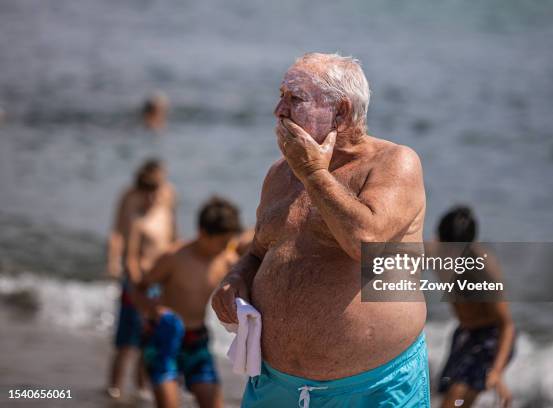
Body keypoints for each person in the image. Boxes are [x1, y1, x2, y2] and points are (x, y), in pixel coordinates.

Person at [212, 53, 429, 407]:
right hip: (273, 384)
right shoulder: (280, 174)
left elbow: (365, 241)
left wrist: (314, 174)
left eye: (294, 99)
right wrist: (235, 277)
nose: (278, 110)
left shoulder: (394, 163)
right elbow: (257, 251)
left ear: (341, 112)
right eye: (281, 96)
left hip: (373, 388)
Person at [133, 196, 243, 408]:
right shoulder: (174, 257)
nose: (226, 247)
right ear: (203, 233)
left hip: (197, 339)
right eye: (222, 242)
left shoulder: (227, 260)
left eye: (229, 241)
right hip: (164, 336)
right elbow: (138, 290)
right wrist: (153, 309)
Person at [106, 159, 177, 399]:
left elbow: (173, 243)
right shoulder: (136, 214)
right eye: (148, 193)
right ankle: (114, 388)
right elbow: (129, 254)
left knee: (151, 339)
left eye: (155, 192)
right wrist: (136, 284)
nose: (152, 198)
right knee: (127, 341)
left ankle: (142, 387)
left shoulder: (166, 207)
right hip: (138, 285)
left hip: (159, 285)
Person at [435, 206, 515, 408]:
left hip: (491, 338)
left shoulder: (484, 270)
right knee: (447, 397)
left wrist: (496, 372)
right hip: (464, 335)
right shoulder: (437, 253)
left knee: (455, 401)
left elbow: (506, 325)